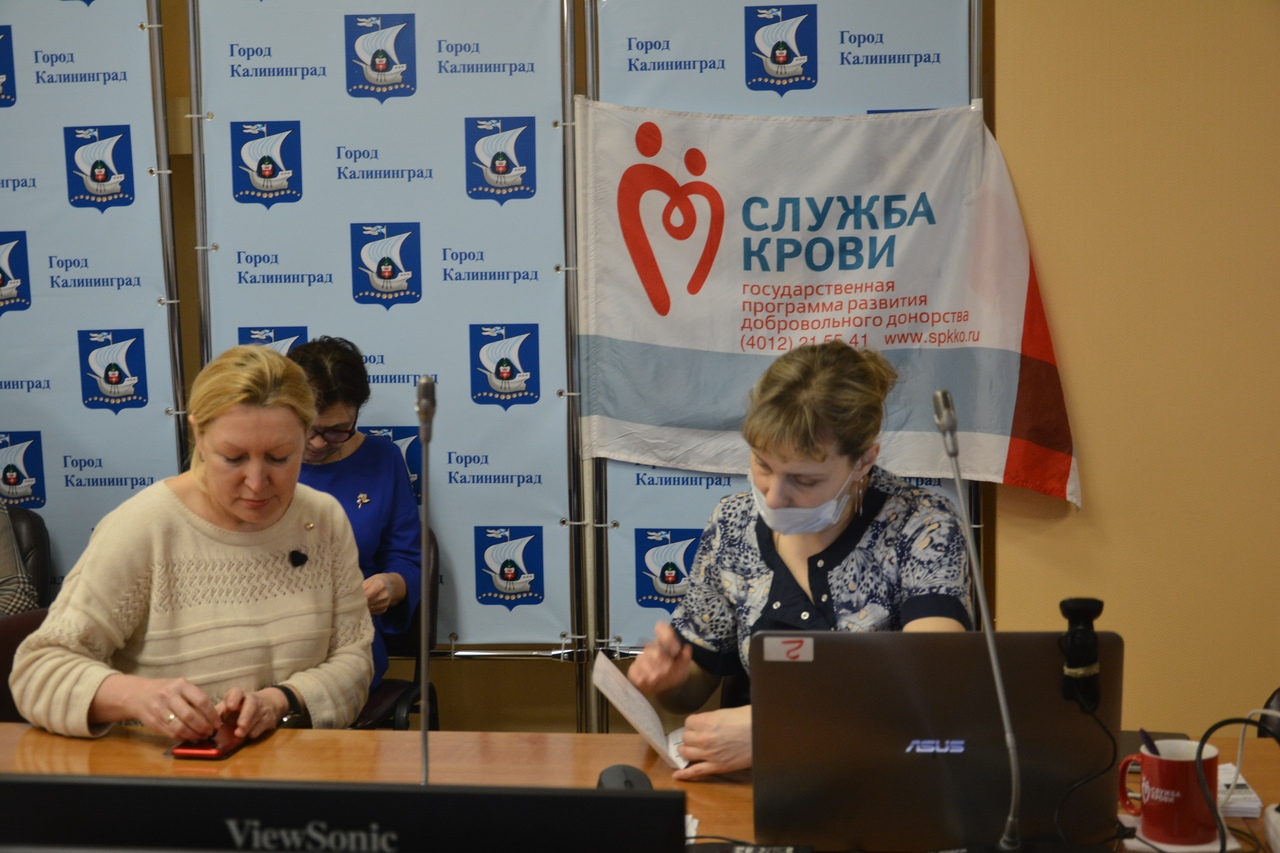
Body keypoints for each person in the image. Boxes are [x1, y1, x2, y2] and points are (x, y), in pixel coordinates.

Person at [627, 341, 972, 781]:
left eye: (804, 480)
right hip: (749, 789)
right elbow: (694, 688)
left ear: (864, 461)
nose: (773, 497)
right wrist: (674, 678)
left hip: (882, 785)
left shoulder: (922, 525)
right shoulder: (733, 524)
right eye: (762, 465)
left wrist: (775, 730)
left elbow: (931, 681)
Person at [9, 345, 374, 739]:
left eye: (279, 457)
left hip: (291, 765)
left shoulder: (323, 520)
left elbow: (354, 662)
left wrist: (279, 701)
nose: (256, 483)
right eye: (233, 458)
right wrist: (138, 697)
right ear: (199, 434)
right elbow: (38, 673)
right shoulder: (144, 527)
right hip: (164, 771)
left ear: (305, 437)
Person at [288, 336, 421, 692]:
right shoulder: (257, 461)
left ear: (357, 413)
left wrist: (391, 585)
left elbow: (407, 558)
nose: (318, 443)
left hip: (349, 644)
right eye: (308, 427)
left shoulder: (382, 459)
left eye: (337, 430)